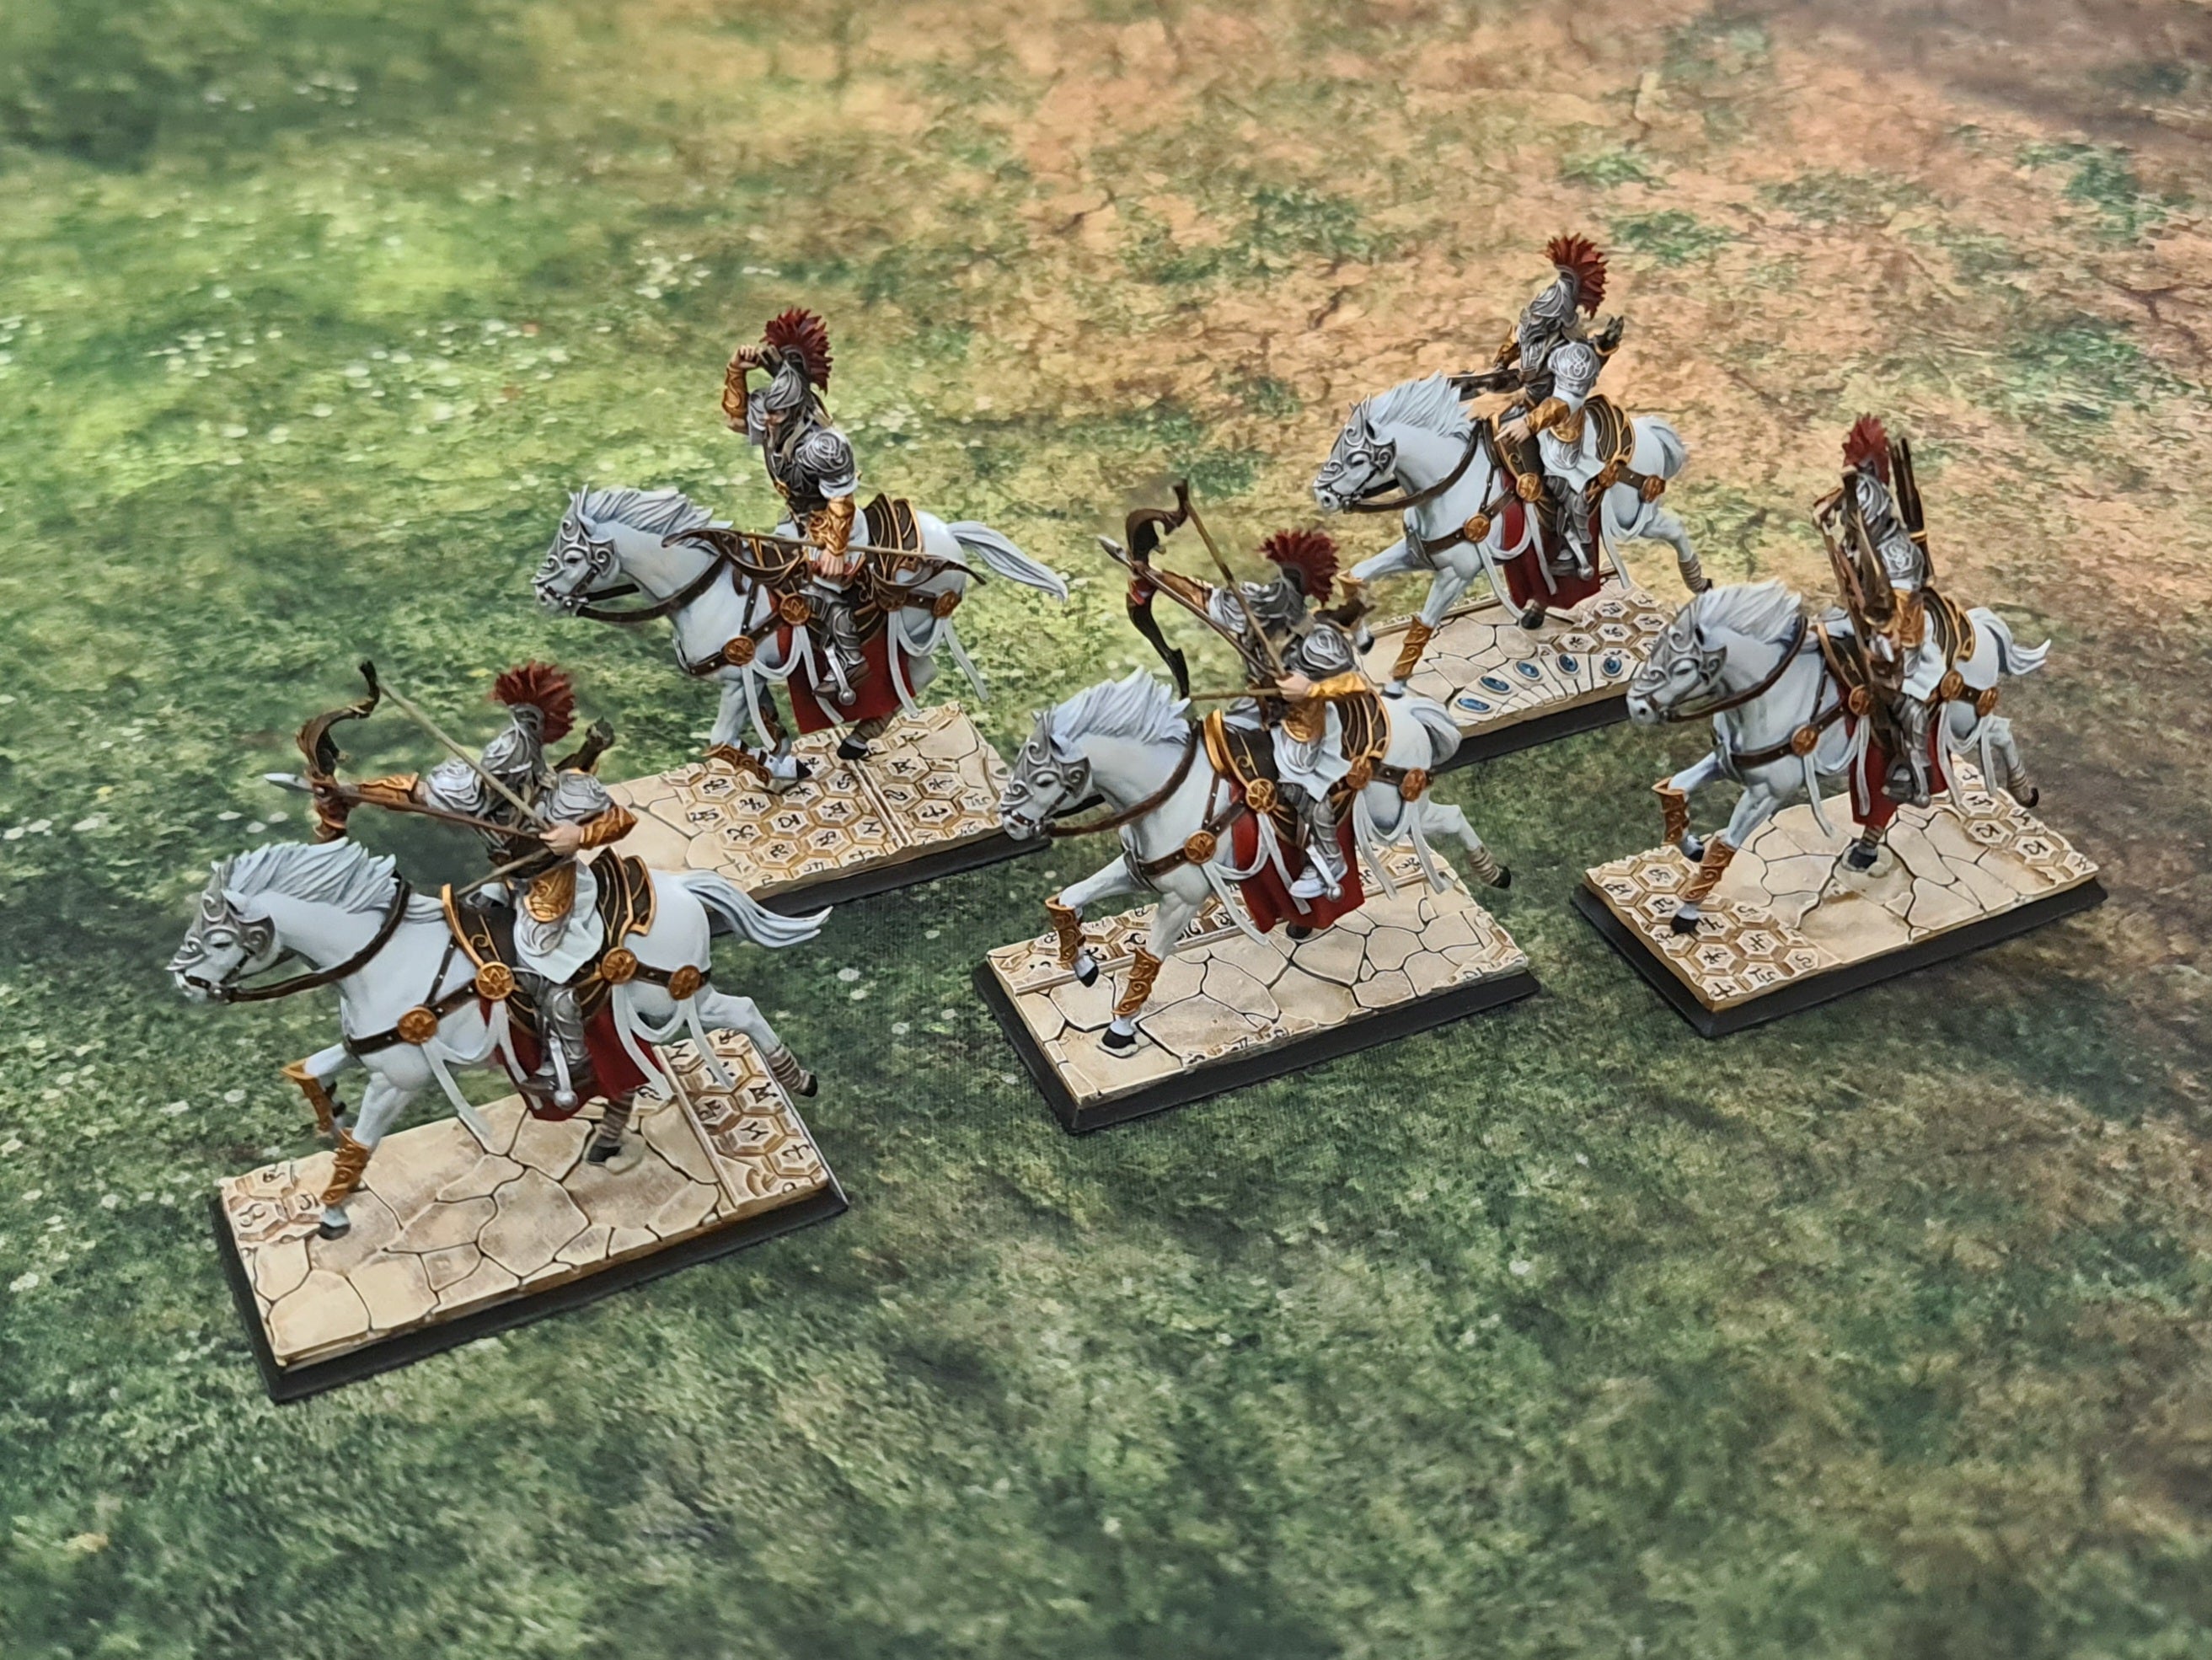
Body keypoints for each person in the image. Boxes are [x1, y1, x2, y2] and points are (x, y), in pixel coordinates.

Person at [418, 663, 633, 1110]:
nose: (500, 791)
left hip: (552, 882)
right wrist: (345, 790)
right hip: (507, 881)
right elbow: (413, 793)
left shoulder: (568, 792)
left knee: (543, 964)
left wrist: (579, 836)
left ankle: (572, 1058)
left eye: (511, 782)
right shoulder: (474, 793)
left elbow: (620, 818)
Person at [722, 308, 870, 703]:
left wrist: (835, 550)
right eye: (768, 412)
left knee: (823, 584)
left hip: (836, 525)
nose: (768, 420)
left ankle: (851, 659)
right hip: (799, 520)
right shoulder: (775, 417)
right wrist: (736, 371)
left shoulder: (823, 445)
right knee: (771, 567)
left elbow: (841, 501)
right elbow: (736, 420)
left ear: (795, 408)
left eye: (777, 413)